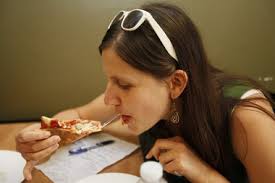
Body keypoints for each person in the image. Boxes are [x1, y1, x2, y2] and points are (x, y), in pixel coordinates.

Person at [15, 2, 275, 183]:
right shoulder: (149, 103)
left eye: (125, 85)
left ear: (175, 83)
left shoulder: (246, 117)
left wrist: (202, 174)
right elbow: (80, 115)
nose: (108, 99)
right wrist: (45, 137)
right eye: (109, 81)